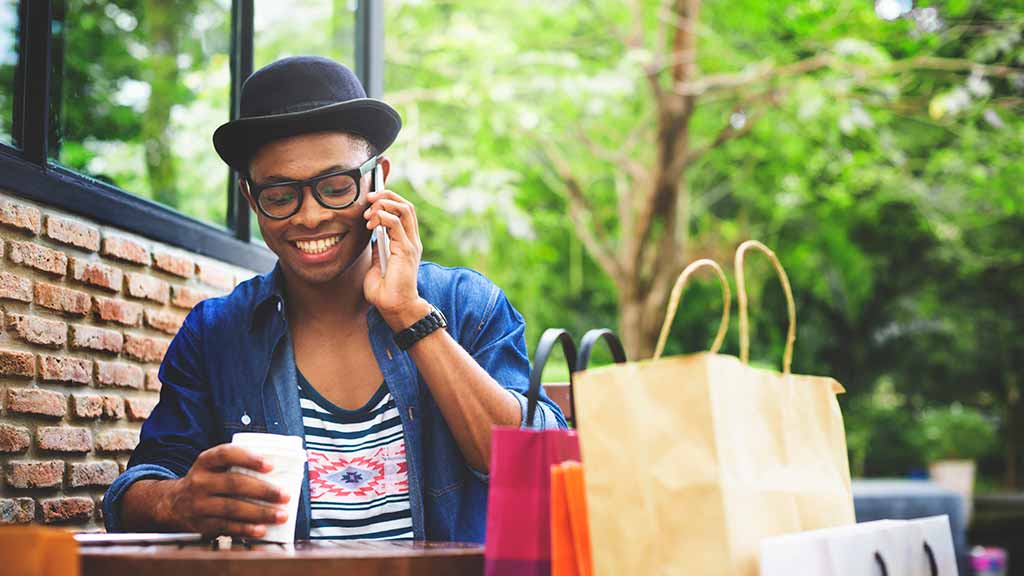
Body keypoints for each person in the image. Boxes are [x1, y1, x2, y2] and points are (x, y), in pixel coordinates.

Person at [103, 56, 565, 542]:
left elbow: (534, 464)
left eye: (335, 187)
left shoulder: (467, 303)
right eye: (280, 196)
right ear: (250, 197)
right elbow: (132, 494)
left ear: (378, 178)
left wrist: (409, 314)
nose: (310, 216)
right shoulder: (217, 333)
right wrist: (177, 501)